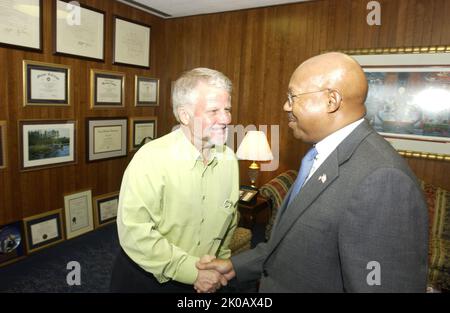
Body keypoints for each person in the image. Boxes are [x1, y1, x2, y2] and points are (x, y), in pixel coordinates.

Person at [197, 52, 429, 292]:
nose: (285, 105)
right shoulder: (321, 156)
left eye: (292, 96)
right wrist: (235, 266)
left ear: (332, 100)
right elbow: (293, 244)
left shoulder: (382, 180)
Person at [110, 68, 239, 293]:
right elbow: (135, 232)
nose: (226, 119)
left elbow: (229, 221)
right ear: (184, 115)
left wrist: (219, 266)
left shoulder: (229, 159)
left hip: (208, 279)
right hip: (149, 281)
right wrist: (192, 271)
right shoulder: (151, 158)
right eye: (214, 110)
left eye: (227, 109)